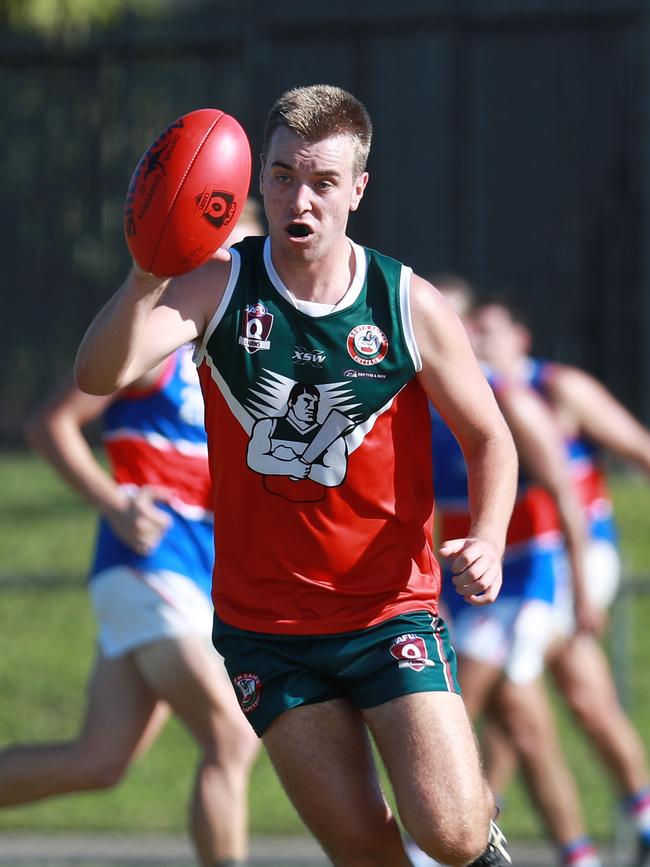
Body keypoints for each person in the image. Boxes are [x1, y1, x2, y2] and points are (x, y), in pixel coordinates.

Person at [73, 84, 519, 867]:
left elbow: (491, 438)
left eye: (320, 181)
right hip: (268, 630)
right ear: (259, 184)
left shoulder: (405, 303)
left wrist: (486, 534)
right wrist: (146, 275)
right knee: (363, 848)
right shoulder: (218, 284)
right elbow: (97, 374)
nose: (297, 198)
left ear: (357, 190)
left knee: (450, 831)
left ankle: (481, 837)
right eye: (281, 177)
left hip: (388, 610)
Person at [0, 203, 266, 867]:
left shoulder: (240, 362)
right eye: (222, 248)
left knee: (99, 760)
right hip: (149, 563)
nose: (234, 264)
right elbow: (49, 425)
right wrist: (115, 502)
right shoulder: (158, 345)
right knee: (233, 737)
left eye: (243, 250)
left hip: (194, 574)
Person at [423, 283, 602, 867]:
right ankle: (577, 854)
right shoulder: (416, 409)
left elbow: (568, 500)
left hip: (527, 587)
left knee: (449, 702)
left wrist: (580, 588)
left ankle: (423, 849)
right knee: (527, 732)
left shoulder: (514, 403)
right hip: (468, 593)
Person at [470, 298, 650, 867]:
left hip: (580, 557)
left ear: (521, 336)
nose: (481, 342)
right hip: (526, 567)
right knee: (546, 703)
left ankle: (471, 823)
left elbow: (639, 449)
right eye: (473, 332)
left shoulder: (556, 389)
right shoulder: (472, 400)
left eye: (491, 331)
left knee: (546, 692)